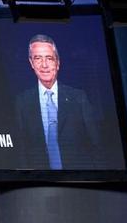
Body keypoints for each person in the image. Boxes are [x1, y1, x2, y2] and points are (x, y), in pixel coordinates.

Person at [14, 33, 106, 171]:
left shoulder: (79, 98)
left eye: (49, 58)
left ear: (57, 63)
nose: (44, 65)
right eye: (38, 58)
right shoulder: (22, 102)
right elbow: (21, 151)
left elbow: (97, 145)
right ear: (31, 63)